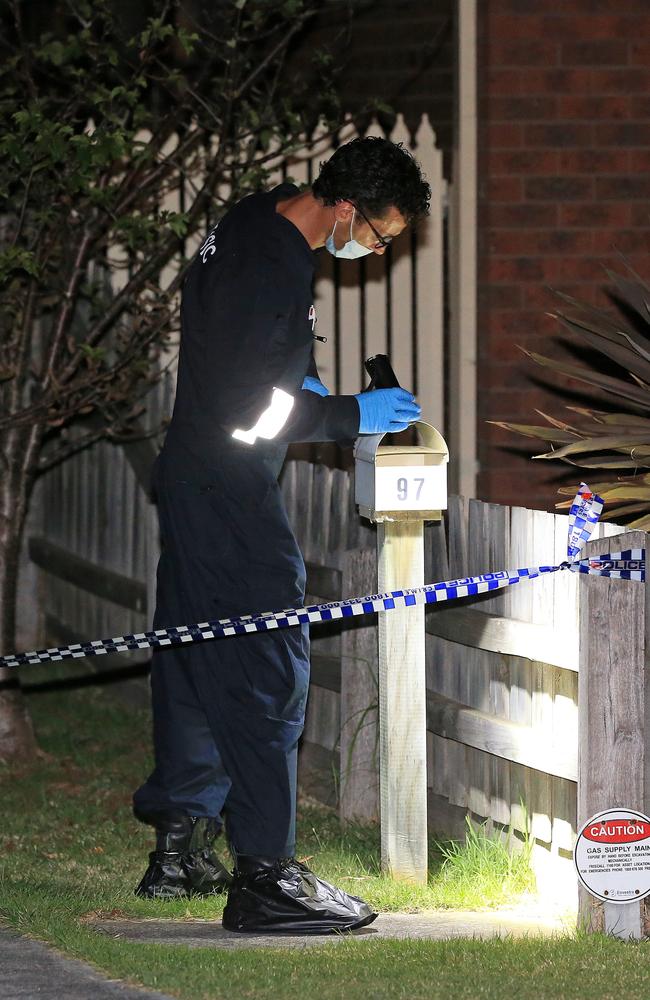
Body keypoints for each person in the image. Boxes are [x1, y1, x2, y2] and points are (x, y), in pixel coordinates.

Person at [132, 136, 431, 933]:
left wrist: (296, 371)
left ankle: (180, 849)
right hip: (231, 488)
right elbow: (250, 410)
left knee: (195, 659)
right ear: (343, 206)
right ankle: (265, 875)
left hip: (190, 475)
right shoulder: (274, 263)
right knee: (271, 670)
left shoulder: (252, 218)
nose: (372, 251)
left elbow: (234, 355)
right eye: (376, 234)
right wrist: (343, 415)